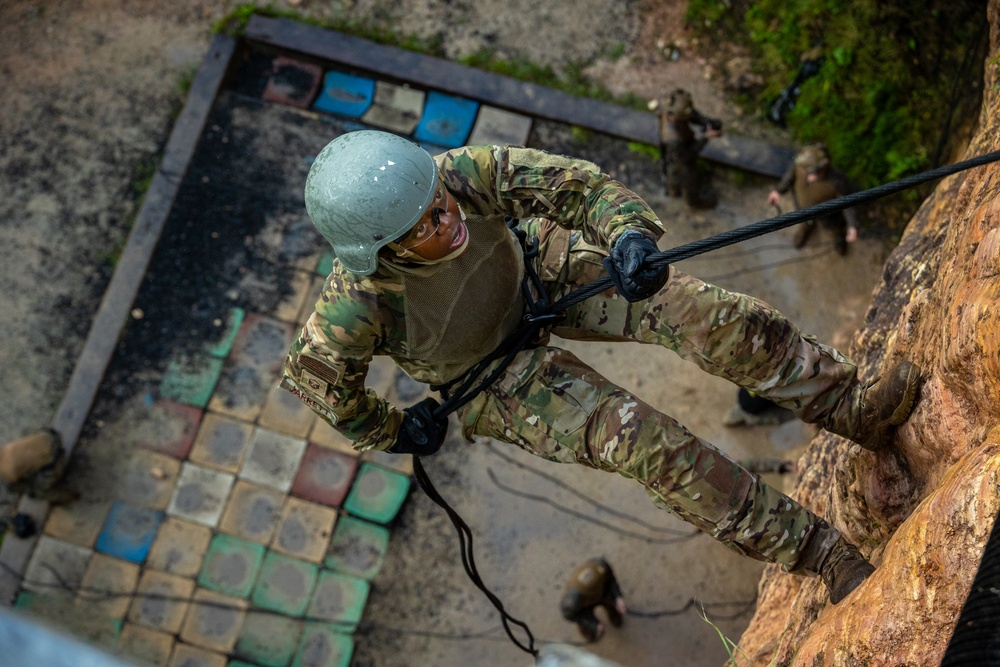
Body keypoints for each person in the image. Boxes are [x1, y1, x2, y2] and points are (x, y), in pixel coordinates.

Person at [282, 130, 922, 604]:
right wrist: (392, 429)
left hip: (536, 272)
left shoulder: (454, 177)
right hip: (486, 375)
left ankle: (852, 408)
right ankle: (821, 554)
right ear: (380, 252)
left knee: (697, 311)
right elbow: (322, 385)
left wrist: (625, 235)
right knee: (643, 442)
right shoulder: (354, 307)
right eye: (423, 225)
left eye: (440, 202)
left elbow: (570, 185)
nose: (447, 218)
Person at [768, 143, 859, 254]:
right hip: (803, 209)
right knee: (805, 222)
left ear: (824, 168)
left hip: (828, 215)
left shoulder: (836, 181)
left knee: (835, 228)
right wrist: (778, 191)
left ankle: (839, 241)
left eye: (814, 173)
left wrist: (852, 226)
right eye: (806, 172)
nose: (809, 178)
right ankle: (805, 230)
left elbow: (847, 203)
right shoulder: (800, 165)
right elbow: (789, 177)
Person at [654, 88, 723, 209]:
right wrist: (706, 138)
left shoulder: (669, 107)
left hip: (675, 151)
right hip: (680, 157)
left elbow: (691, 115)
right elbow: (688, 155)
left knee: (671, 171)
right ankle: (693, 202)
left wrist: (706, 122)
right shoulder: (673, 137)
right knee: (687, 177)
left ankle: (673, 190)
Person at [559, 558, 626, 642]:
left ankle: (615, 618)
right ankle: (590, 635)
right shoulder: (571, 603)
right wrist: (593, 624)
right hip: (583, 607)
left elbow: (611, 580)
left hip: (604, 595)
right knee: (587, 628)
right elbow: (573, 616)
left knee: (612, 607)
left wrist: (617, 597)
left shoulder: (601, 567)